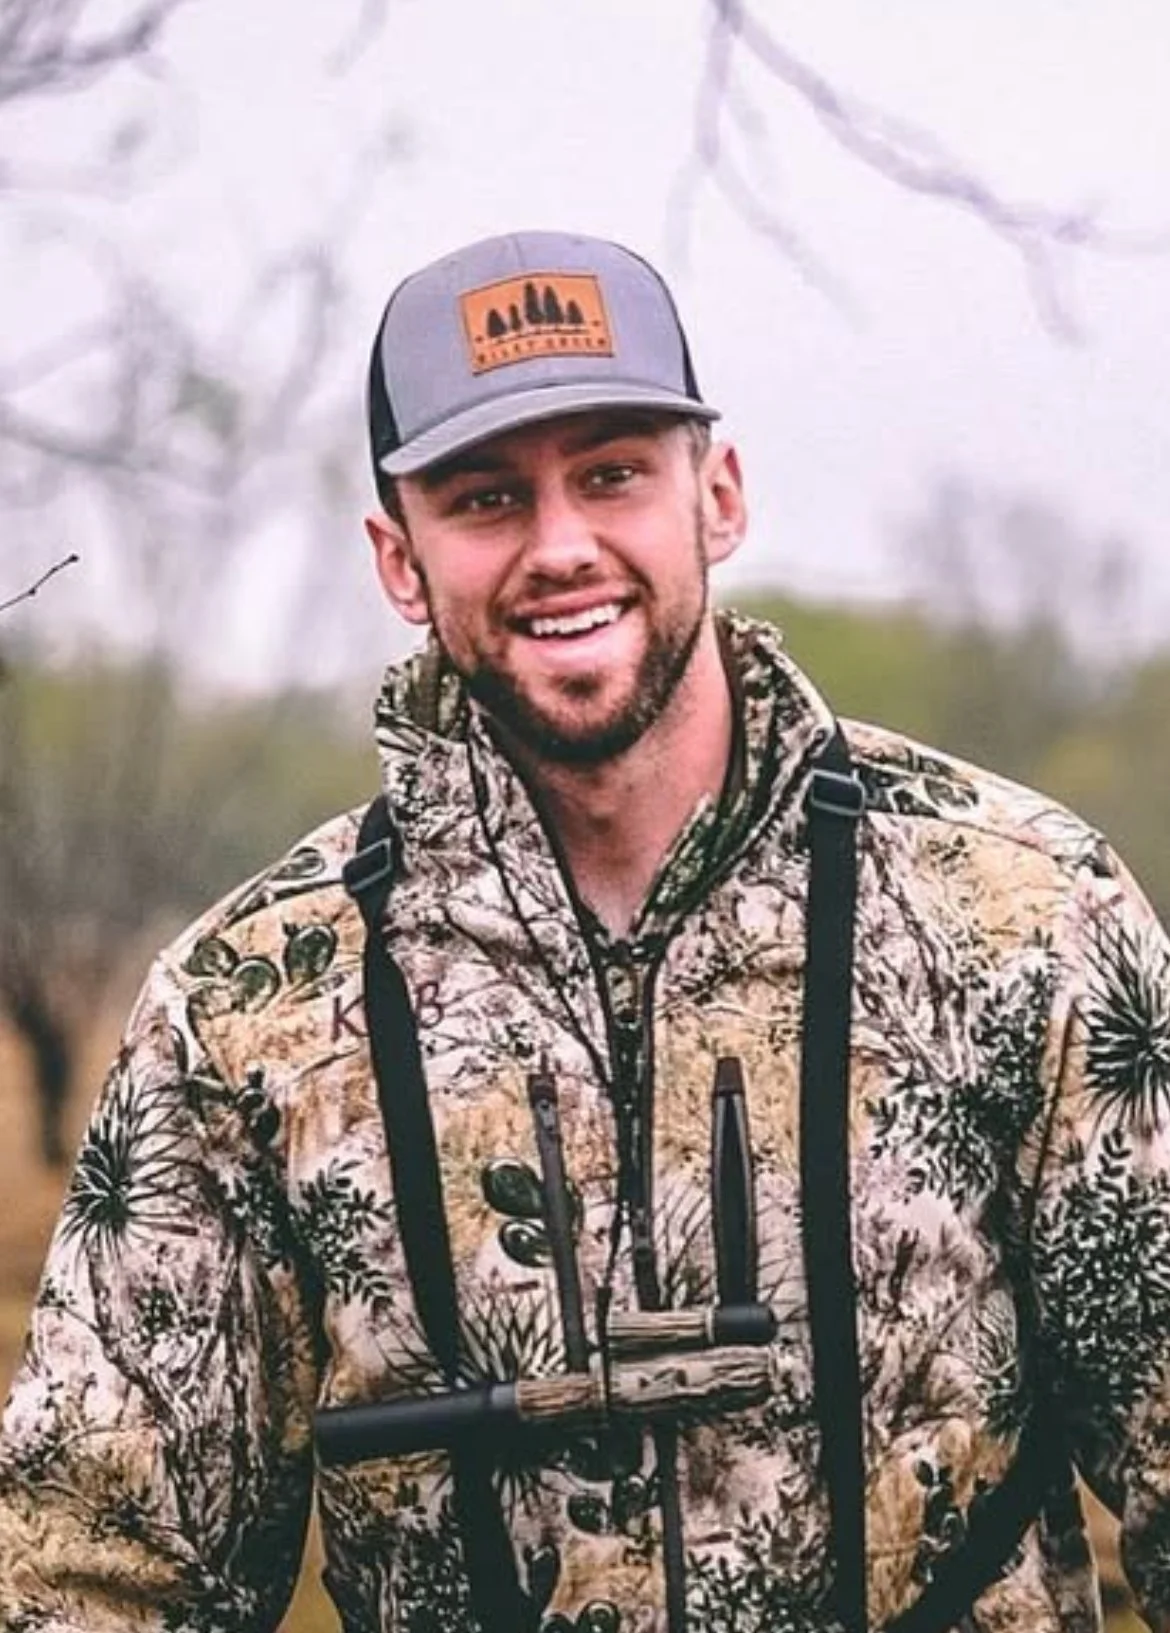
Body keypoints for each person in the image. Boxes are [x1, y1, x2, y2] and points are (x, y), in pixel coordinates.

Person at [2, 229, 1169, 1633]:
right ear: (398, 555)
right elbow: (97, 1569)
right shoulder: (251, 1005)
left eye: (610, 472)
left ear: (715, 495)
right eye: (487, 497)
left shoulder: (1022, 915)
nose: (560, 547)